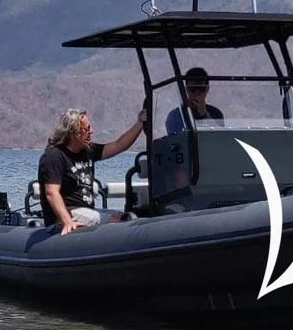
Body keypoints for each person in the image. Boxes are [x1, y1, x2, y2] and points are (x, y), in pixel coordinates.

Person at [38, 106, 146, 235]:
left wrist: (140, 124)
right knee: (116, 220)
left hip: (86, 211)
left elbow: (119, 145)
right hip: (66, 214)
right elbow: (51, 193)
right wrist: (67, 221)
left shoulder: (87, 150)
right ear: (73, 132)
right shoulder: (54, 156)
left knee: (124, 216)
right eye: (86, 129)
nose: (91, 131)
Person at [164, 66, 225, 136]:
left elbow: (218, 137)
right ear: (186, 89)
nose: (197, 93)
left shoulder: (215, 113)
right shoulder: (176, 115)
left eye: (201, 89)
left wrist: (204, 115)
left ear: (207, 89)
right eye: (192, 89)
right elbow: (177, 139)